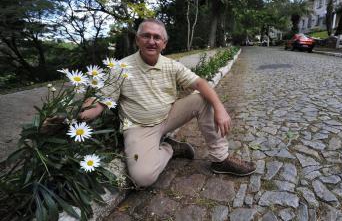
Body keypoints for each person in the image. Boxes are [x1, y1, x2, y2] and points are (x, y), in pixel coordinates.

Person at [80, 18, 256, 187]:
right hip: (139, 127)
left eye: (157, 37)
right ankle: (170, 148)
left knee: (203, 98)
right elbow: (101, 102)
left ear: (164, 44)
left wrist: (220, 108)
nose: (151, 41)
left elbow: (200, 83)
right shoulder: (121, 68)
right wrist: (81, 115)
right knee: (143, 178)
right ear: (137, 40)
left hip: (168, 117)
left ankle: (220, 160)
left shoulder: (171, 65)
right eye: (146, 36)